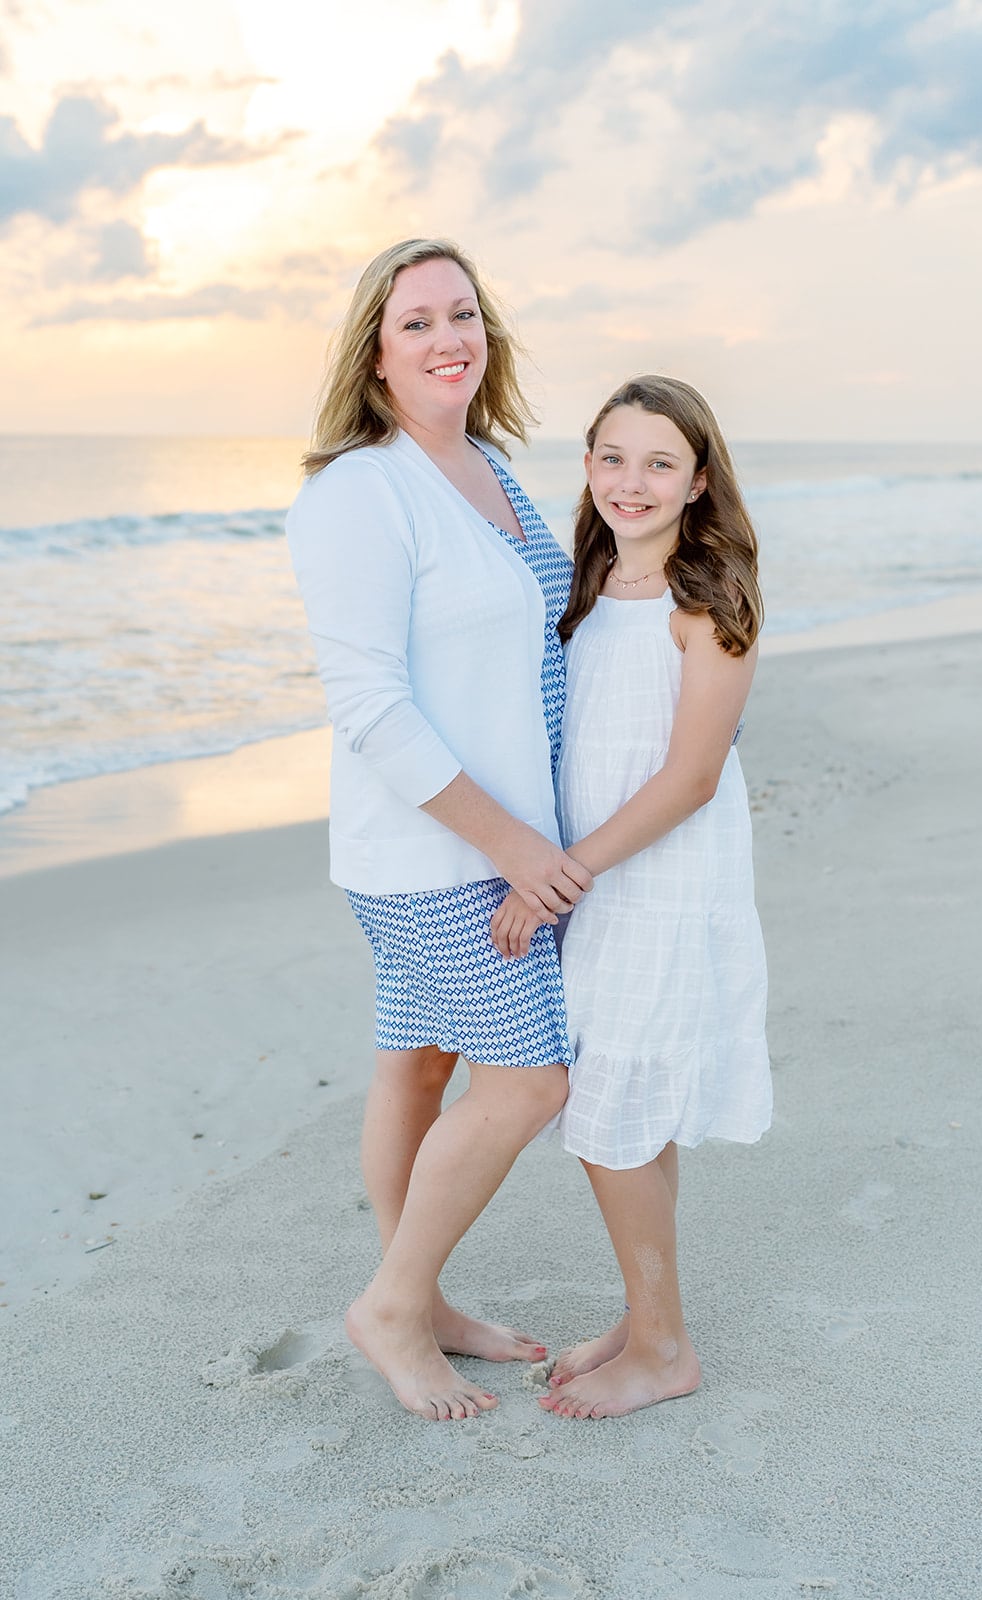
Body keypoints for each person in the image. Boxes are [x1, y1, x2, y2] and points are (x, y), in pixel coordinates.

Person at [286, 238, 591, 1422]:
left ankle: (420, 1290)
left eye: (462, 313)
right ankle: (396, 1305)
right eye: (415, 321)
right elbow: (368, 705)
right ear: (372, 349)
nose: (446, 337)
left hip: (494, 837)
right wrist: (515, 844)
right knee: (527, 1081)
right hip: (429, 850)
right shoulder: (358, 491)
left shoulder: (489, 468)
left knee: (416, 1064)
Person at [491, 375, 772, 1418]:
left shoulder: (710, 602)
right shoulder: (585, 578)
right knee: (632, 1107)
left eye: (658, 462)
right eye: (612, 457)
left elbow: (690, 776)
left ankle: (664, 1348)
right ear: (586, 466)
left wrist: (566, 871)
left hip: (655, 883)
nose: (631, 481)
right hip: (595, 879)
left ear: (698, 480)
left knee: (609, 1109)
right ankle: (643, 1316)